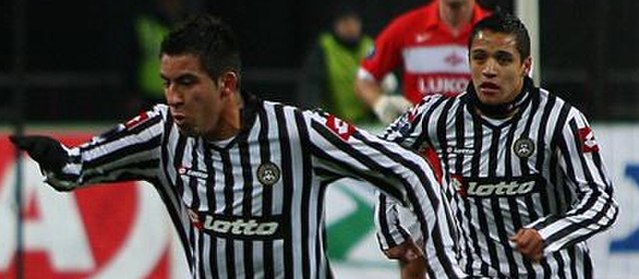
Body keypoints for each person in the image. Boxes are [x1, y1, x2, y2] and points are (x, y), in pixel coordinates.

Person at [9, 14, 468, 279]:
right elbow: (80, 167)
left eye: (187, 83)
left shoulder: (297, 132)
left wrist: (445, 266)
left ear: (226, 83)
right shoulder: (161, 131)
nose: (173, 97)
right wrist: (57, 159)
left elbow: (409, 169)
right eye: (168, 83)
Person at [375, 12, 619, 278]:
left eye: (503, 59)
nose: (489, 70)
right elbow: (380, 157)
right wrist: (389, 227)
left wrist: (547, 234)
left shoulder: (560, 120)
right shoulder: (437, 114)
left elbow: (602, 201)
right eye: (479, 58)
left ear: (526, 66)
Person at [355, 0, 490, 124]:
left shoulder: (496, 32)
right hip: (420, 144)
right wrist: (381, 103)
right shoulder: (407, 26)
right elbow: (364, 79)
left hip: (481, 141)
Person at [298, 4, 377, 124]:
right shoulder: (325, 47)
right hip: (332, 124)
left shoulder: (369, 46)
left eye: (354, 22)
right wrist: (314, 119)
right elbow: (311, 86)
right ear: (336, 24)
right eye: (345, 22)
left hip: (368, 125)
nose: (351, 27)